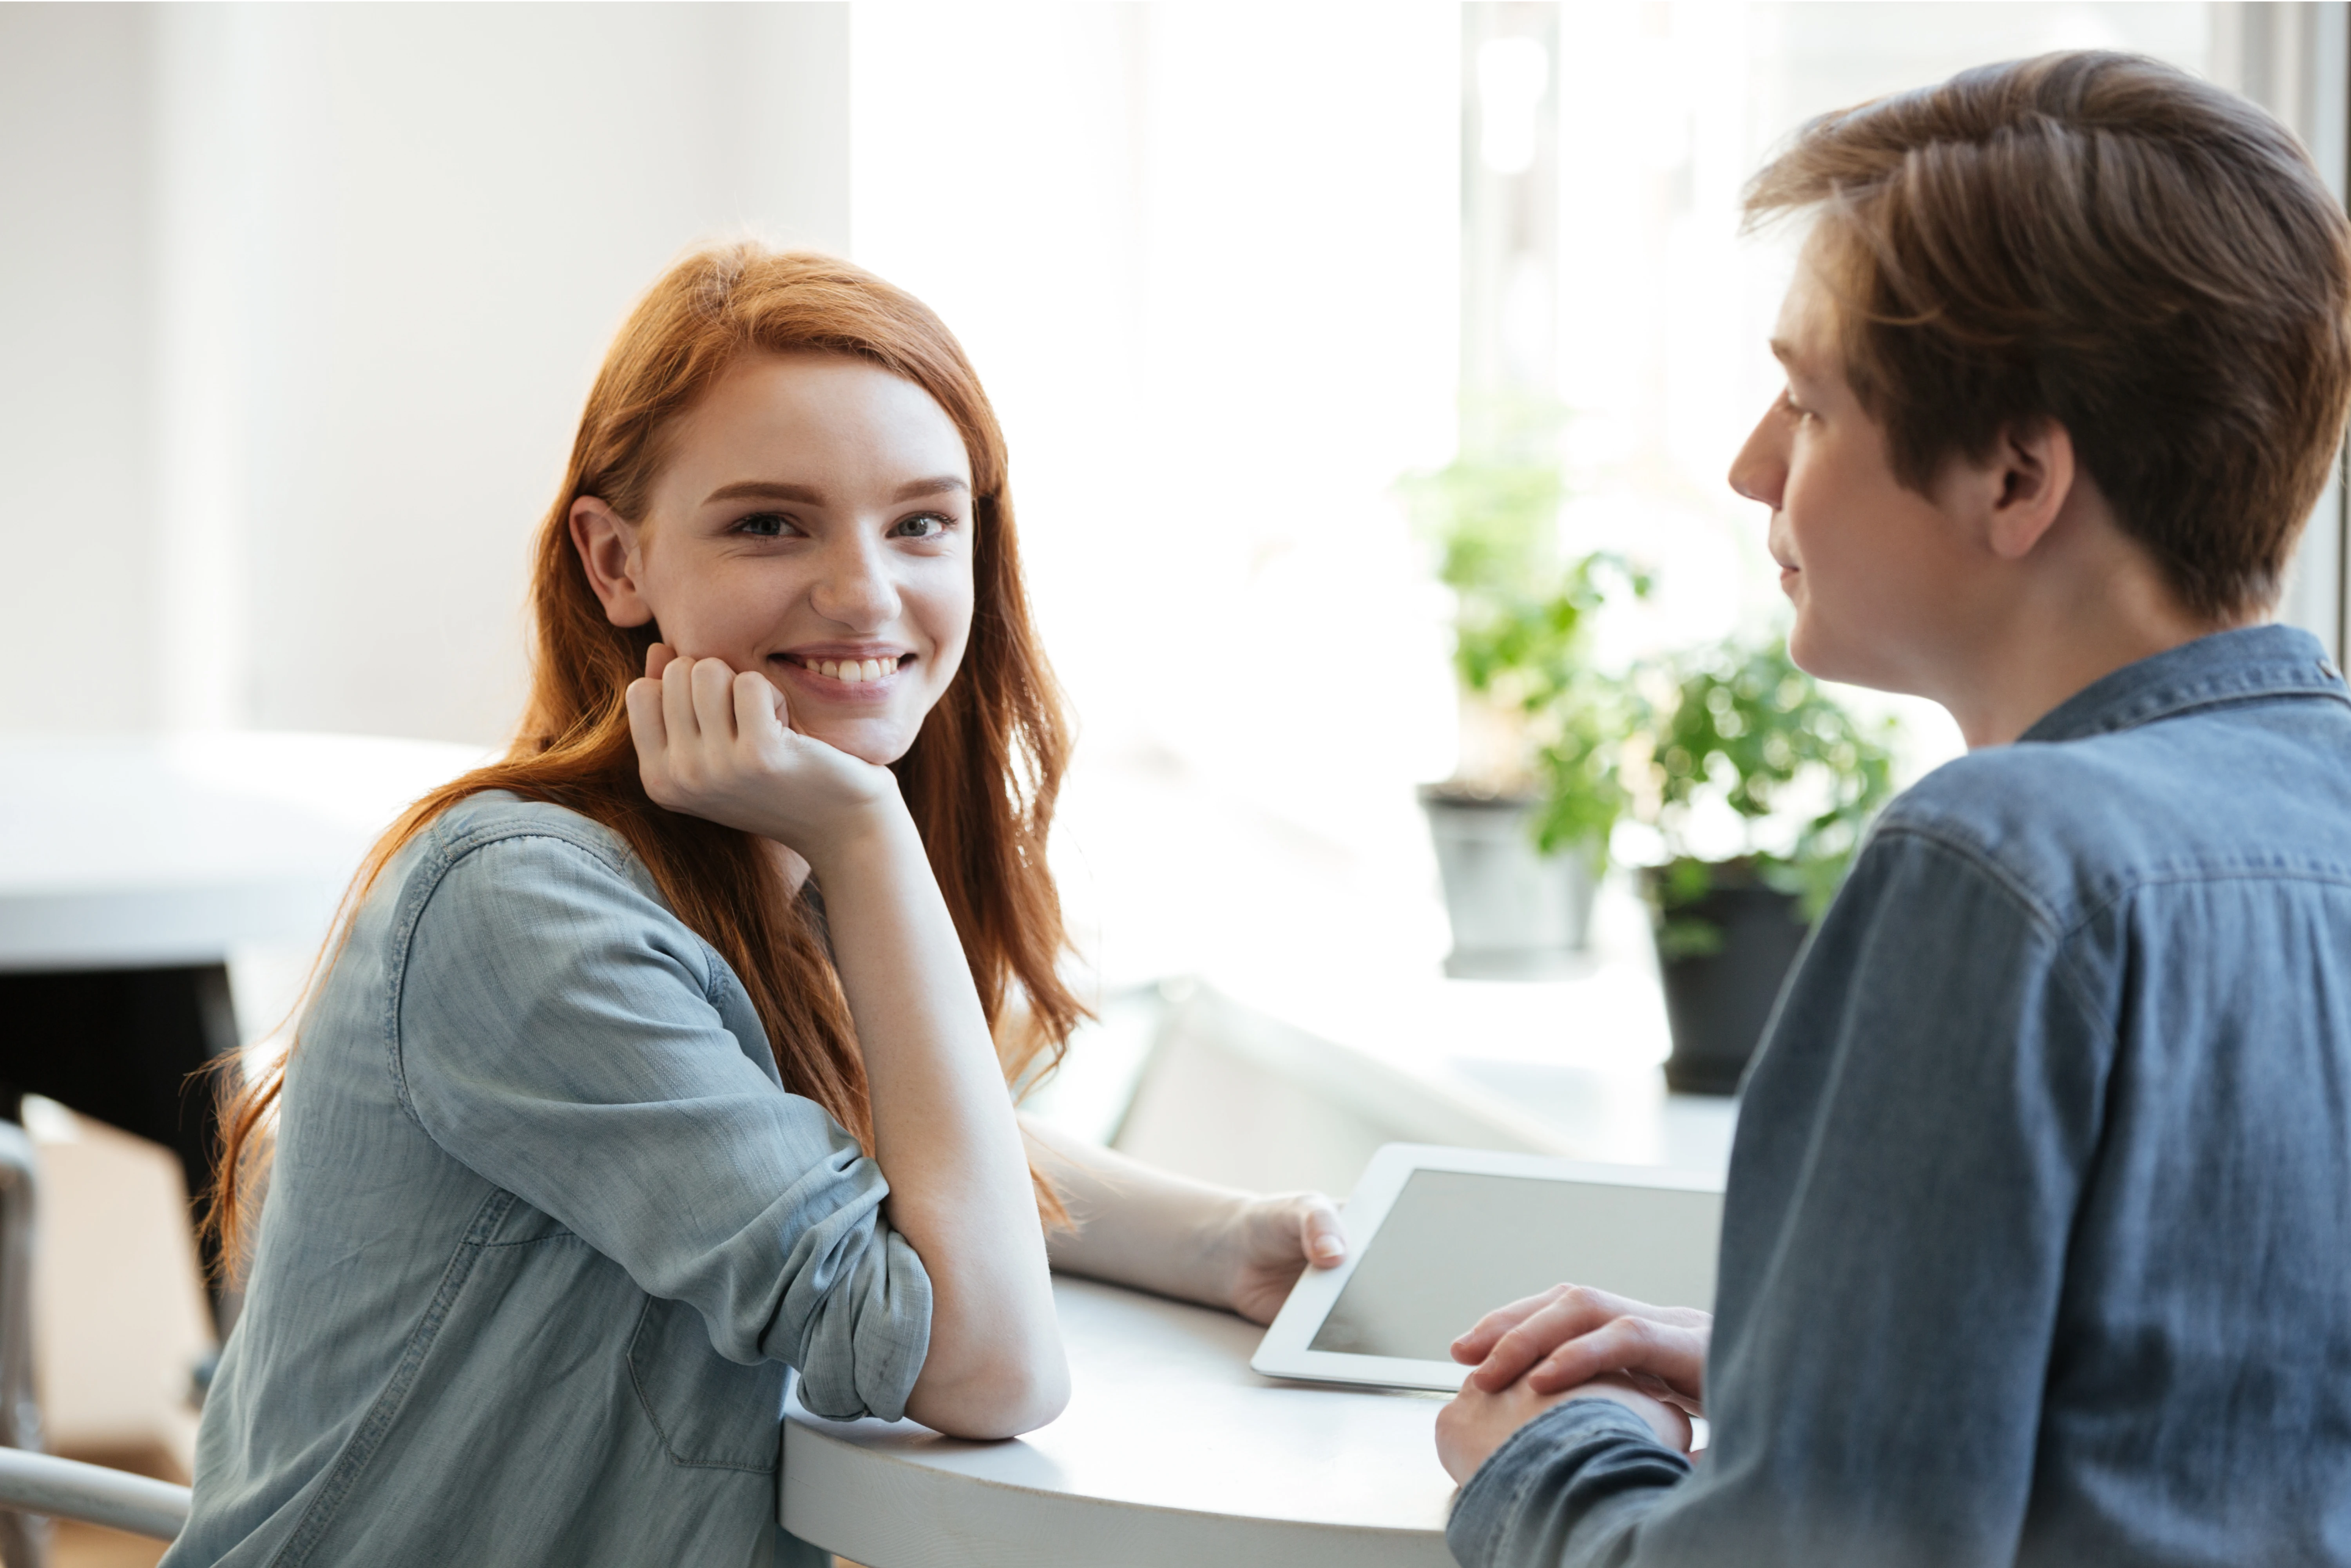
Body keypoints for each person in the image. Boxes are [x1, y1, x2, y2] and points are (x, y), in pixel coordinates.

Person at [164, 245, 1342, 1568]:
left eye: (921, 523)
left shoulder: (747, 859)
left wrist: (1219, 1240)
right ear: (617, 563)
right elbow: (990, 1368)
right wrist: (864, 831)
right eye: (770, 523)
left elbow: (832, 1141)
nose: (864, 592)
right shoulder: (527, 908)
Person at [1435, 50, 2351, 1568]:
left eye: (1805, 401)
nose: (1749, 466)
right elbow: (2241, 1419)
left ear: (2015, 474)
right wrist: (1806, 1369)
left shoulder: (2004, 858)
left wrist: (1548, 1458)